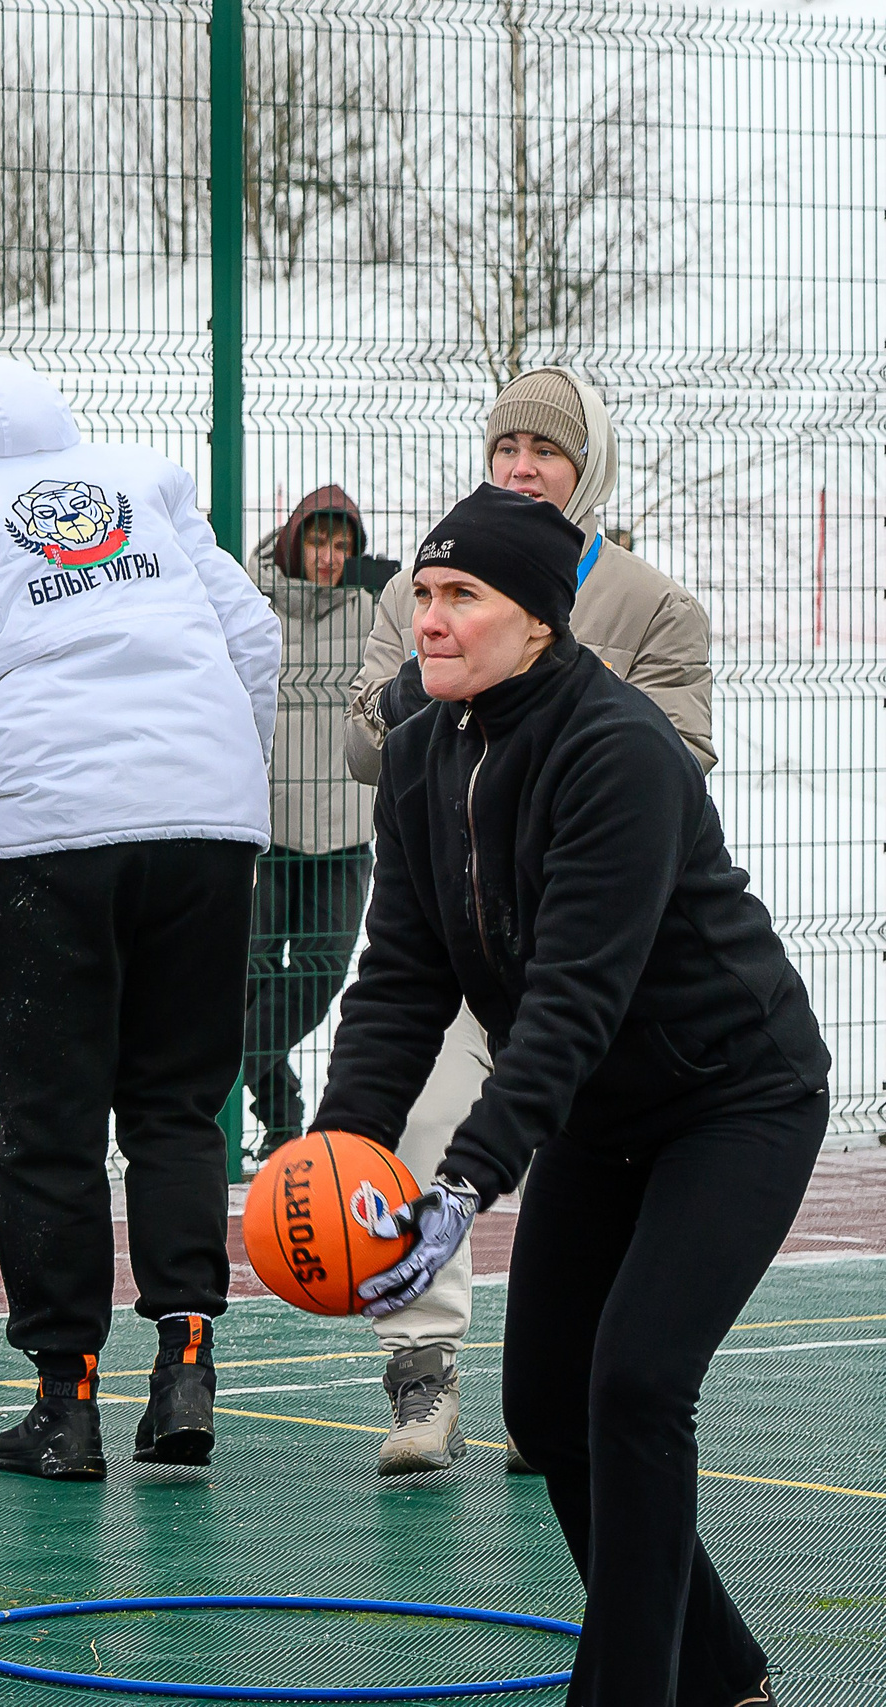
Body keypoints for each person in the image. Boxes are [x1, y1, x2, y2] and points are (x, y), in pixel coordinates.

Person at [312, 483, 825, 1707]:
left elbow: (572, 1002)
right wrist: (339, 1151)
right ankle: (721, 1678)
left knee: (637, 1384)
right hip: (599, 1112)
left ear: (539, 617)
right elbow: (401, 978)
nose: (428, 620)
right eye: (422, 593)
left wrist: (457, 1188)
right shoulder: (422, 754)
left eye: (461, 595)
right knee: (547, 1407)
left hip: (731, 1098)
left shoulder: (618, 750)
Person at [0, 355, 279, 1481]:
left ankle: (65, 1401)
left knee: (51, 1123)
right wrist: (224, 784)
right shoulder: (142, 477)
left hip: (47, 832)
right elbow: (254, 637)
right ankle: (186, 1357)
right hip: (205, 817)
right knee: (179, 1106)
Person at [341, 368, 714, 1475]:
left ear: (586, 469)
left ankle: (571, 1378)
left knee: (567, 1151)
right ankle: (422, 1372)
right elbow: (368, 739)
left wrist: (541, 699)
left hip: (596, 952)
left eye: (545, 450)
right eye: (506, 447)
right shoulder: (422, 584)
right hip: (469, 935)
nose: (521, 466)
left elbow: (673, 760)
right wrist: (436, 685)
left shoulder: (651, 605)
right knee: (418, 1125)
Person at [244, 487, 383, 1155]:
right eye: (319, 542)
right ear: (293, 541)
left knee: (320, 972)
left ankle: (217, 1077)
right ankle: (281, 1116)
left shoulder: (374, 611)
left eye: (342, 546)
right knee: (249, 971)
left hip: (345, 828)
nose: (329, 557)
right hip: (265, 827)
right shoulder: (252, 601)